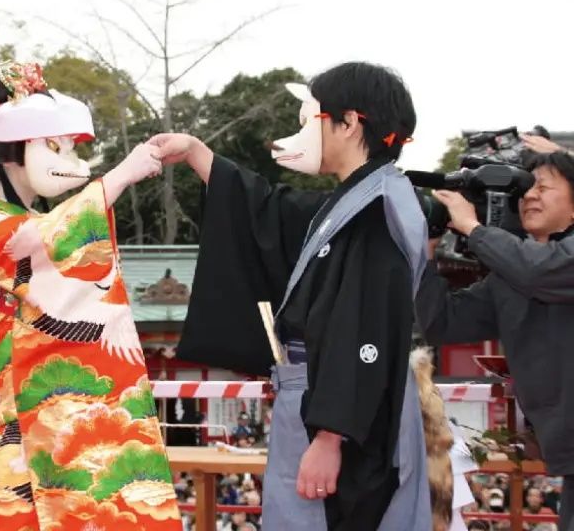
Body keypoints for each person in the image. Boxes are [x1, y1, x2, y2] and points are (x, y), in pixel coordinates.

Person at [149, 62, 433, 530]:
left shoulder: (376, 210)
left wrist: (329, 437)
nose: (300, 133)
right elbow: (271, 208)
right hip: (319, 403)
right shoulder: (355, 200)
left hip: (345, 420)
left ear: (348, 123)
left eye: (309, 120)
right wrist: (199, 154)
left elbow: (361, 326)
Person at [0, 44, 180, 530]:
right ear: (9, 153)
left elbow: (55, 244)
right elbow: (39, 241)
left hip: (48, 420)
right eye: (55, 145)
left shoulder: (35, 221)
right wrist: (121, 175)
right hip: (8, 429)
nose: (69, 158)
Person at [416, 148, 574, 531]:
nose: (530, 196)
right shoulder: (509, 279)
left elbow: (537, 273)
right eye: (525, 190)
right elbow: (441, 323)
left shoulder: (540, 266)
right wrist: (428, 246)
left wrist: (473, 228)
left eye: (543, 187)